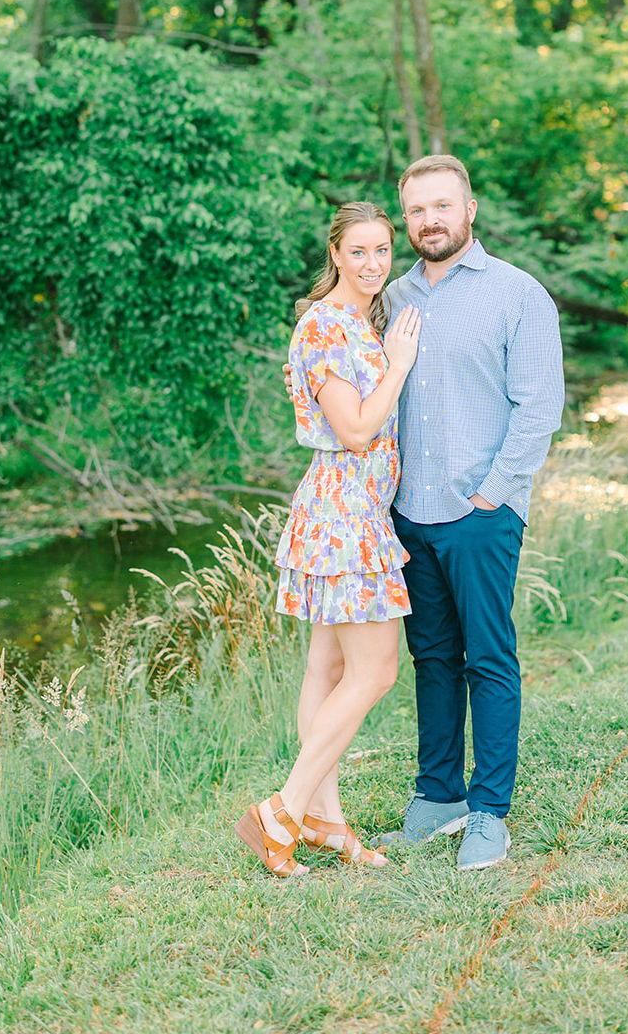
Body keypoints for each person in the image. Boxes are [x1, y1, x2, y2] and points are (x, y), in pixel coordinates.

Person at [377, 155, 566, 870]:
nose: (430, 220)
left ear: (470, 210)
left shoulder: (518, 294)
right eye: (417, 210)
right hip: (409, 514)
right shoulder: (390, 298)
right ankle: (438, 797)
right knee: (431, 658)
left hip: (481, 513)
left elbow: (539, 408)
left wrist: (492, 494)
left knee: (488, 657)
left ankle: (489, 812)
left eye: (442, 206)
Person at [234, 203, 423, 878]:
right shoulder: (325, 325)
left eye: (382, 251)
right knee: (376, 672)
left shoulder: (357, 321)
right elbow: (356, 430)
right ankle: (281, 811)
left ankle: (325, 820)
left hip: (354, 509)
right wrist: (399, 364)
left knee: (330, 668)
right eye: (359, 251)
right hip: (344, 515)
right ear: (335, 254)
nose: (373, 264)